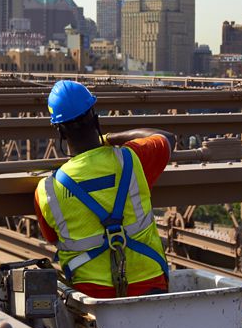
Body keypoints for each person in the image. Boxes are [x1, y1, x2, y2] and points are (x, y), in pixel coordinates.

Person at [33, 80, 174, 298]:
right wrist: (108, 138)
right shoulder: (132, 159)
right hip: (150, 286)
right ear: (96, 119)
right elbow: (167, 138)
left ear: (59, 131)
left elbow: (52, 238)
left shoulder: (47, 190)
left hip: (92, 298)